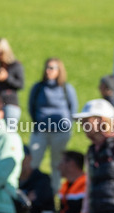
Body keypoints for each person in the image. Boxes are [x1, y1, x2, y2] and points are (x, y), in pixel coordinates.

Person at [28, 57, 78, 192]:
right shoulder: (38, 88)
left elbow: (73, 108)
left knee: (57, 163)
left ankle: (55, 191)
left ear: (59, 70)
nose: (48, 70)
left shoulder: (66, 89)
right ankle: (31, 189)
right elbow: (31, 107)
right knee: (34, 160)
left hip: (60, 132)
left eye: (52, 68)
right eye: (47, 67)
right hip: (41, 131)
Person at [0, 38, 24, 125]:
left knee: (9, 132)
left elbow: (20, 84)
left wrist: (7, 77)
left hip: (10, 103)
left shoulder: (16, 65)